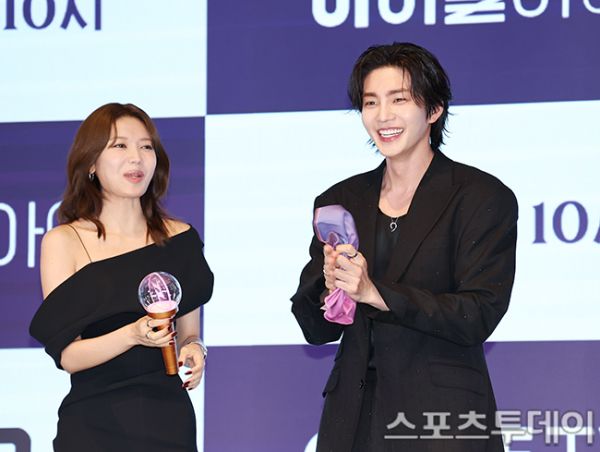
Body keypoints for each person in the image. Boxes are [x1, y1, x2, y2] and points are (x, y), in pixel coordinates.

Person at [291, 43, 518, 452]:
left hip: (442, 421)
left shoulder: (481, 196)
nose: (383, 116)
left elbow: (478, 313)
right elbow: (314, 328)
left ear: (434, 110)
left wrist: (375, 293)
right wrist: (330, 287)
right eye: (370, 102)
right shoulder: (341, 201)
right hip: (353, 421)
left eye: (398, 100)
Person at [29, 103, 214, 451]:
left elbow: (189, 332)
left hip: (169, 421)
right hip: (94, 425)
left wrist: (194, 348)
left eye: (146, 146)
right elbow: (69, 357)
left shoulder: (181, 239)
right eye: (120, 145)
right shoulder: (64, 241)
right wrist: (131, 334)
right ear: (91, 163)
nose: (137, 158)